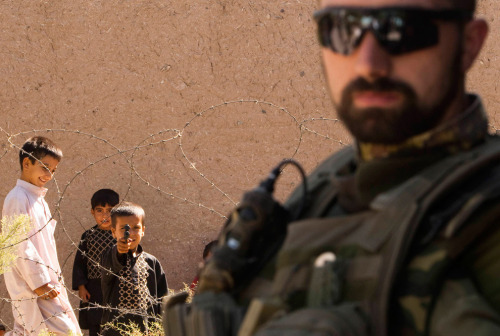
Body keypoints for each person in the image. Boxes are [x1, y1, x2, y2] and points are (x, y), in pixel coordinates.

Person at [164, 0, 500, 335]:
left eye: (401, 29)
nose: (368, 64)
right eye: (341, 29)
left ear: (469, 43)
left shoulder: (486, 214)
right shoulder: (331, 183)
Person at [2, 136, 81, 335]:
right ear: (26, 163)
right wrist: (40, 284)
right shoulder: (18, 198)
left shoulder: (37, 199)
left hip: (47, 283)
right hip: (35, 287)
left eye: (53, 170)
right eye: (45, 167)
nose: (49, 175)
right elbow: (19, 244)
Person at [100, 202, 168, 335]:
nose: (130, 233)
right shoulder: (109, 256)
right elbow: (114, 261)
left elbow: (162, 299)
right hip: (115, 330)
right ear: (113, 232)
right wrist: (120, 250)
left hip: (145, 329)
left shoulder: (152, 262)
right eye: (124, 229)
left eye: (136, 228)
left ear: (143, 230)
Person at [72, 189, 120, 336]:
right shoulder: (88, 236)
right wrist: (81, 286)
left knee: (117, 323)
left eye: (110, 210)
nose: (105, 215)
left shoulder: (121, 235)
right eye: (100, 210)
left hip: (116, 286)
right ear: (92, 212)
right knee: (96, 323)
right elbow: (80, 263)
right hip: (94, 288)